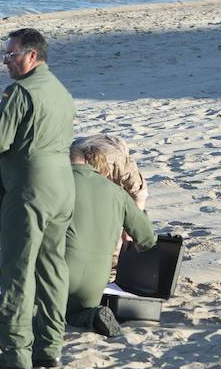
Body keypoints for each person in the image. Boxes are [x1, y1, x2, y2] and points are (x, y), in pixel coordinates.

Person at [0, 28, 76, 369]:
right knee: (53, 267)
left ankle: (15, 353)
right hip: (63, 186)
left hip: (30, 188)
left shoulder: (19, 92)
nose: (6, 61)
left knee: (18, 270)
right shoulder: (61, 91)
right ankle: (50, 347)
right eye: (6, 55)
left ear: (32, 56)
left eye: (12, 55)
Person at [63, 144, 158, 338]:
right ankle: (93, 314)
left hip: (61, 271)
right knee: (76, 311)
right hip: (98, 280)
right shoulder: (117, 193)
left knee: (48, 308)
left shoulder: (55, 183)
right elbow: (148, 238)